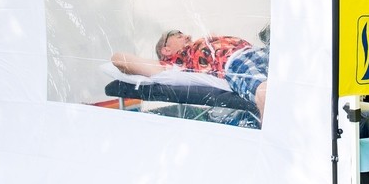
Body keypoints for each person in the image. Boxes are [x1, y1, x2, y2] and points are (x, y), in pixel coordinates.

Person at [111, 29, 270, 116]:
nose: (187, 35)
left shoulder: (200, 45)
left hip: (259, 51)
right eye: (178, 35)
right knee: (266, 94)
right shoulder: (173, 64)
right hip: (236, 63)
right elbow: (119, 59)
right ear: (166, 50)